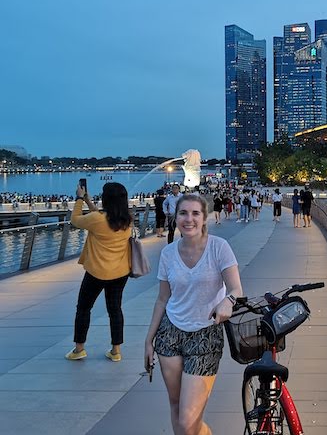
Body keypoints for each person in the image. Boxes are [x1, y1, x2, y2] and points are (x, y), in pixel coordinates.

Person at [144, 194, 242, 435]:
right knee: (177, 408)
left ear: (204, 217)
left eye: (195, 213)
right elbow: (162, 299)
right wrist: (149, 340)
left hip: (205, 335)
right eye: (183, 213)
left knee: (189, 420)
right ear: (175, 217)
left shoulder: (219, 247)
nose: (189, 219)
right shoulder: (168, 254)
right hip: (170, 334)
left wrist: (228, 301)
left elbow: (236, 289)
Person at [65, 182, 133, 362]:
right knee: (115, 309)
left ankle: (79, 349)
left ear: (106, 199)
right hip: (120, 272)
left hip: (96, 272)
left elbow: (76, 220)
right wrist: (88, 201)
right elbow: (101, 216)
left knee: (84, 308)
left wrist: (79, 198)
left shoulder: (97, 220)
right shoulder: (127, 219)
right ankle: (116, 350)